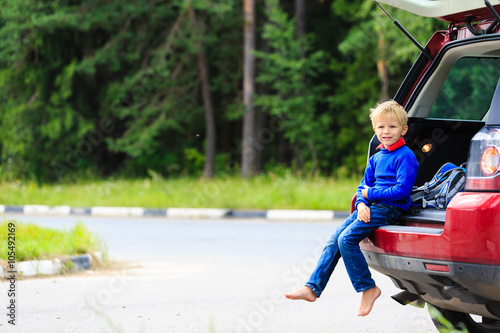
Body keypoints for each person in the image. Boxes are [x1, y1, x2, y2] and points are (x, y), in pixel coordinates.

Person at [285, 100, 419, 316]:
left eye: (392, 127)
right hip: (371, 207)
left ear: (403, 130)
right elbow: (362, 187)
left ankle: (368, 288)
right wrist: (361, 204)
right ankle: (312, 287)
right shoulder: (376, 157)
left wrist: (369, 195)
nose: (386, 131)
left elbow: (401, 190)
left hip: (390, 209)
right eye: (381, 127)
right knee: (333, 240)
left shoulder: (406, 157)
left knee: (346, 240)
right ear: (374, 129)